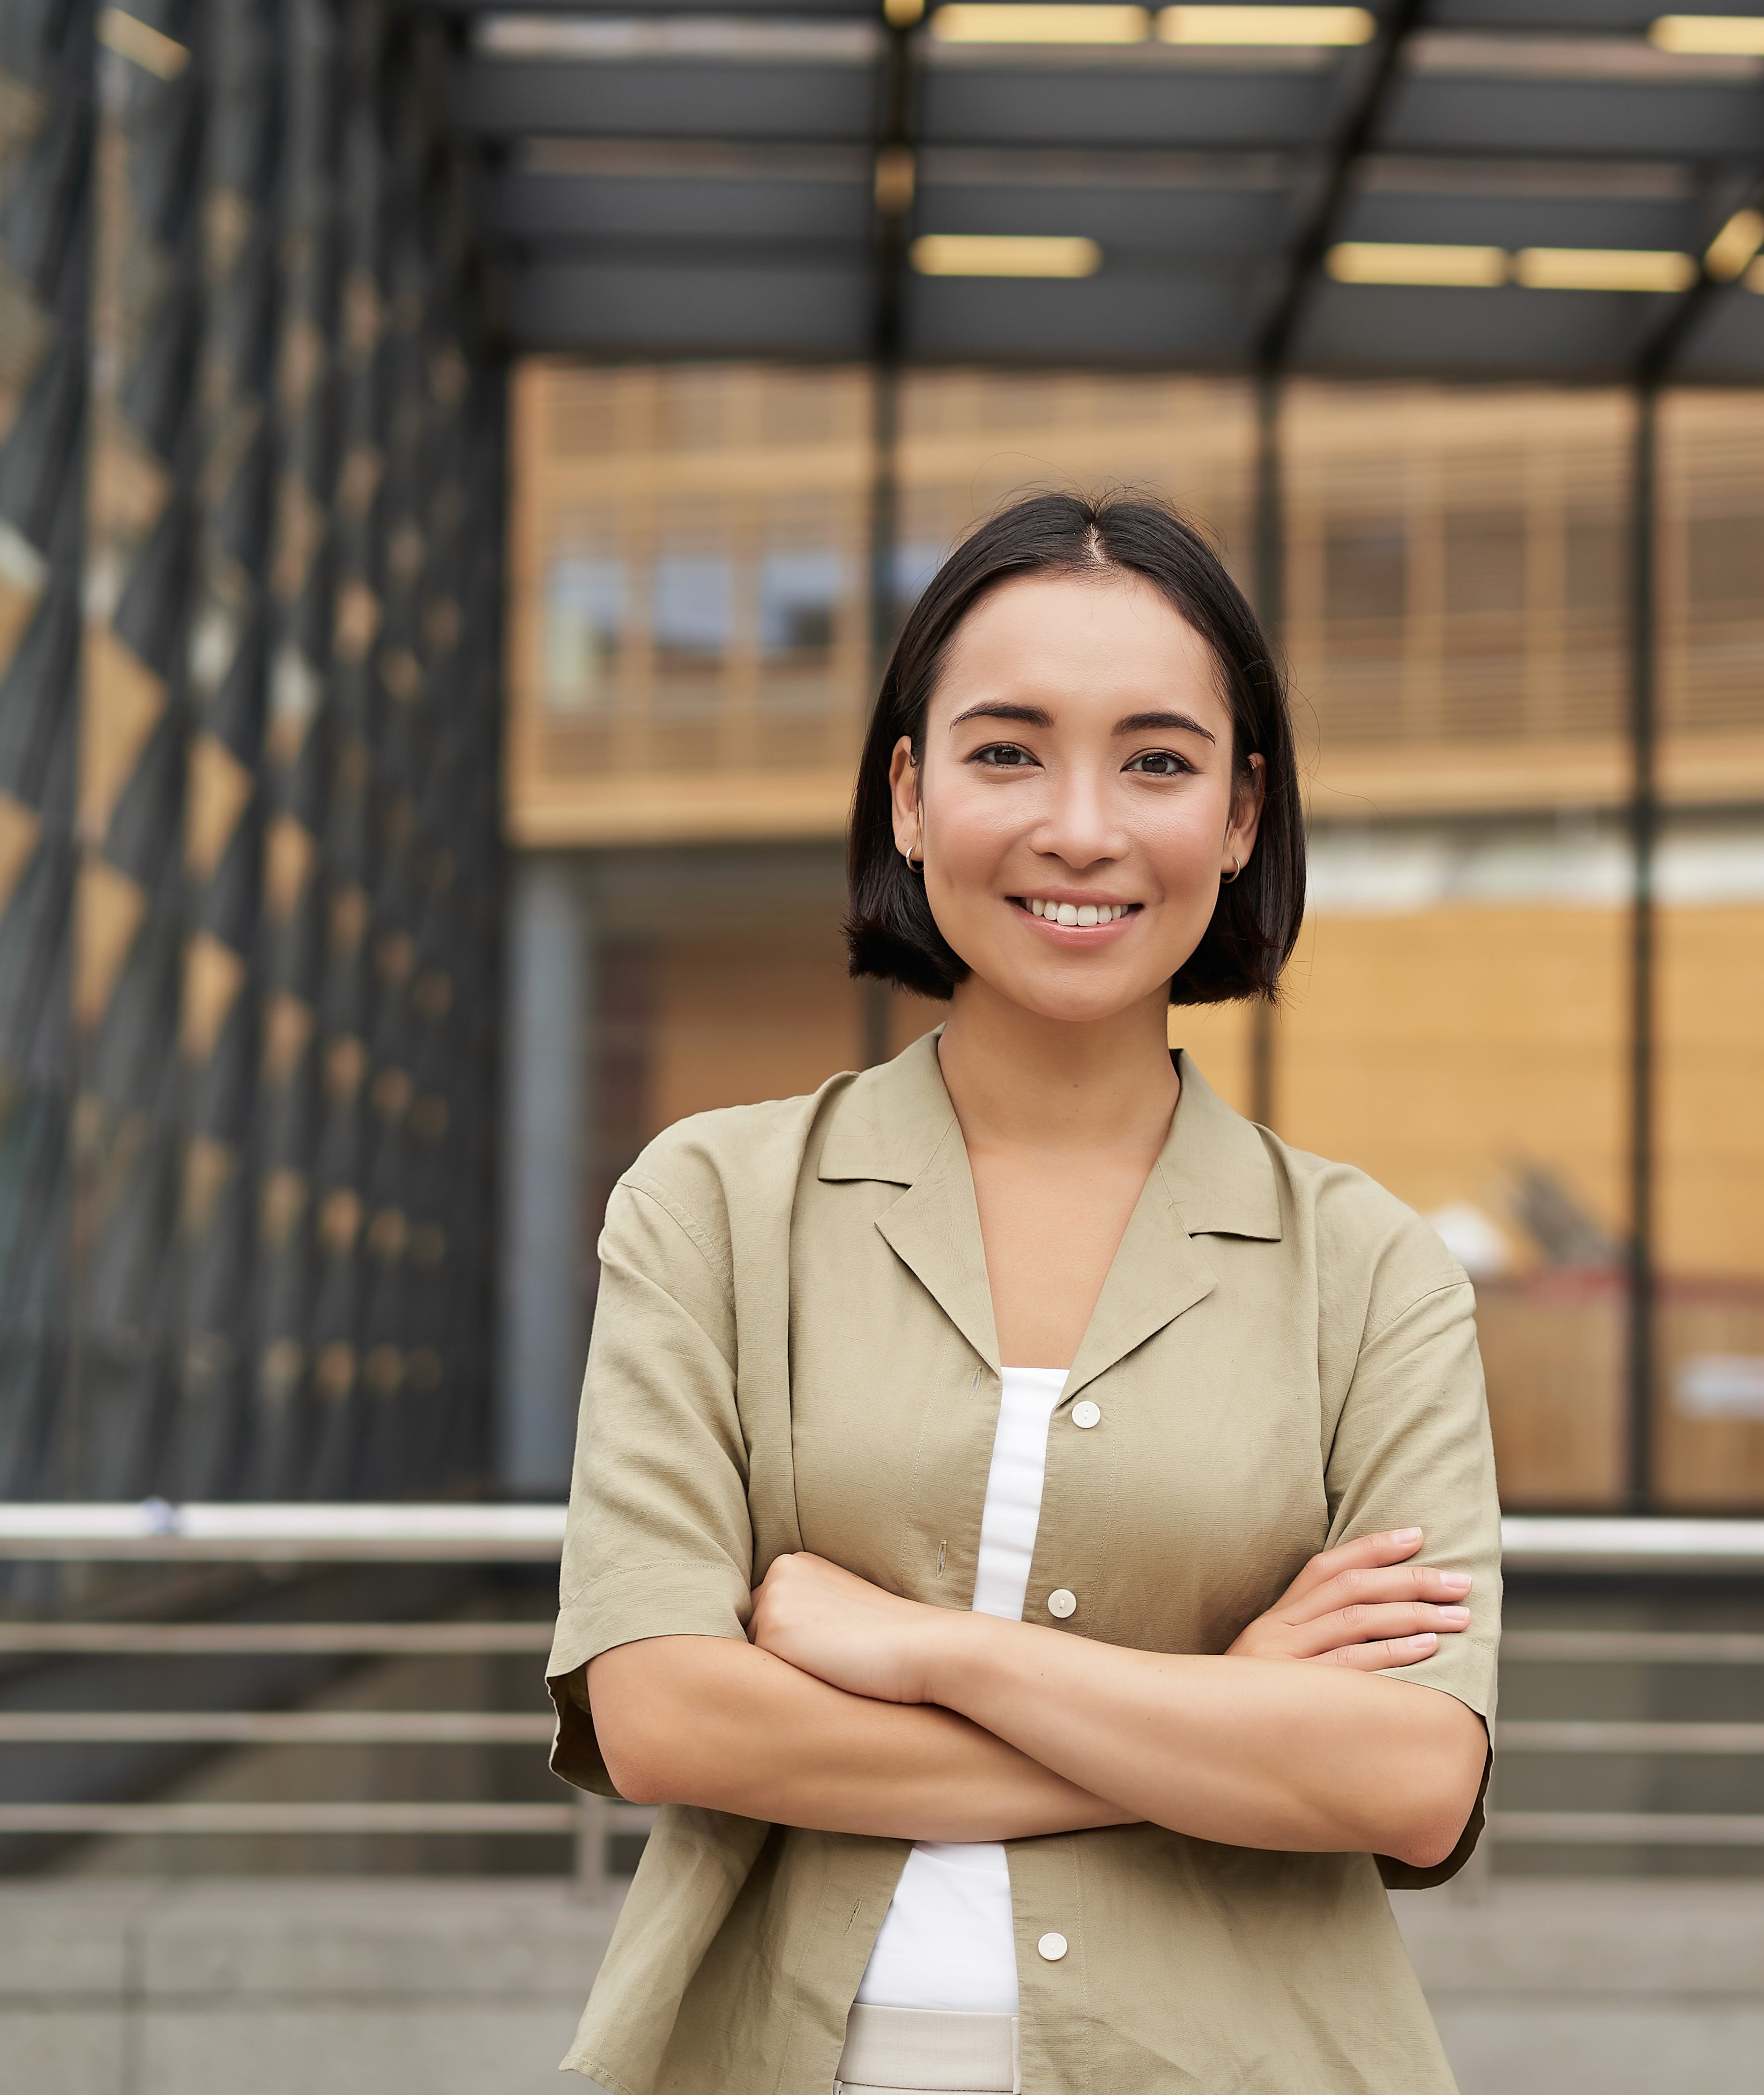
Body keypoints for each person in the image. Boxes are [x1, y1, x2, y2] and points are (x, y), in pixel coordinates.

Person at [545, 490, 1502, 2095]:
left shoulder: (1371, 1269)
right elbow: (664, 1718)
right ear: (909, 797)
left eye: (1157, 762)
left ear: (1243, 815)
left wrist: (931, 1651)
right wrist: (1228, 1713)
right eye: (1007, 752)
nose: (1081, 827)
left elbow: (1408, 1777)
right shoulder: (714, 1205)